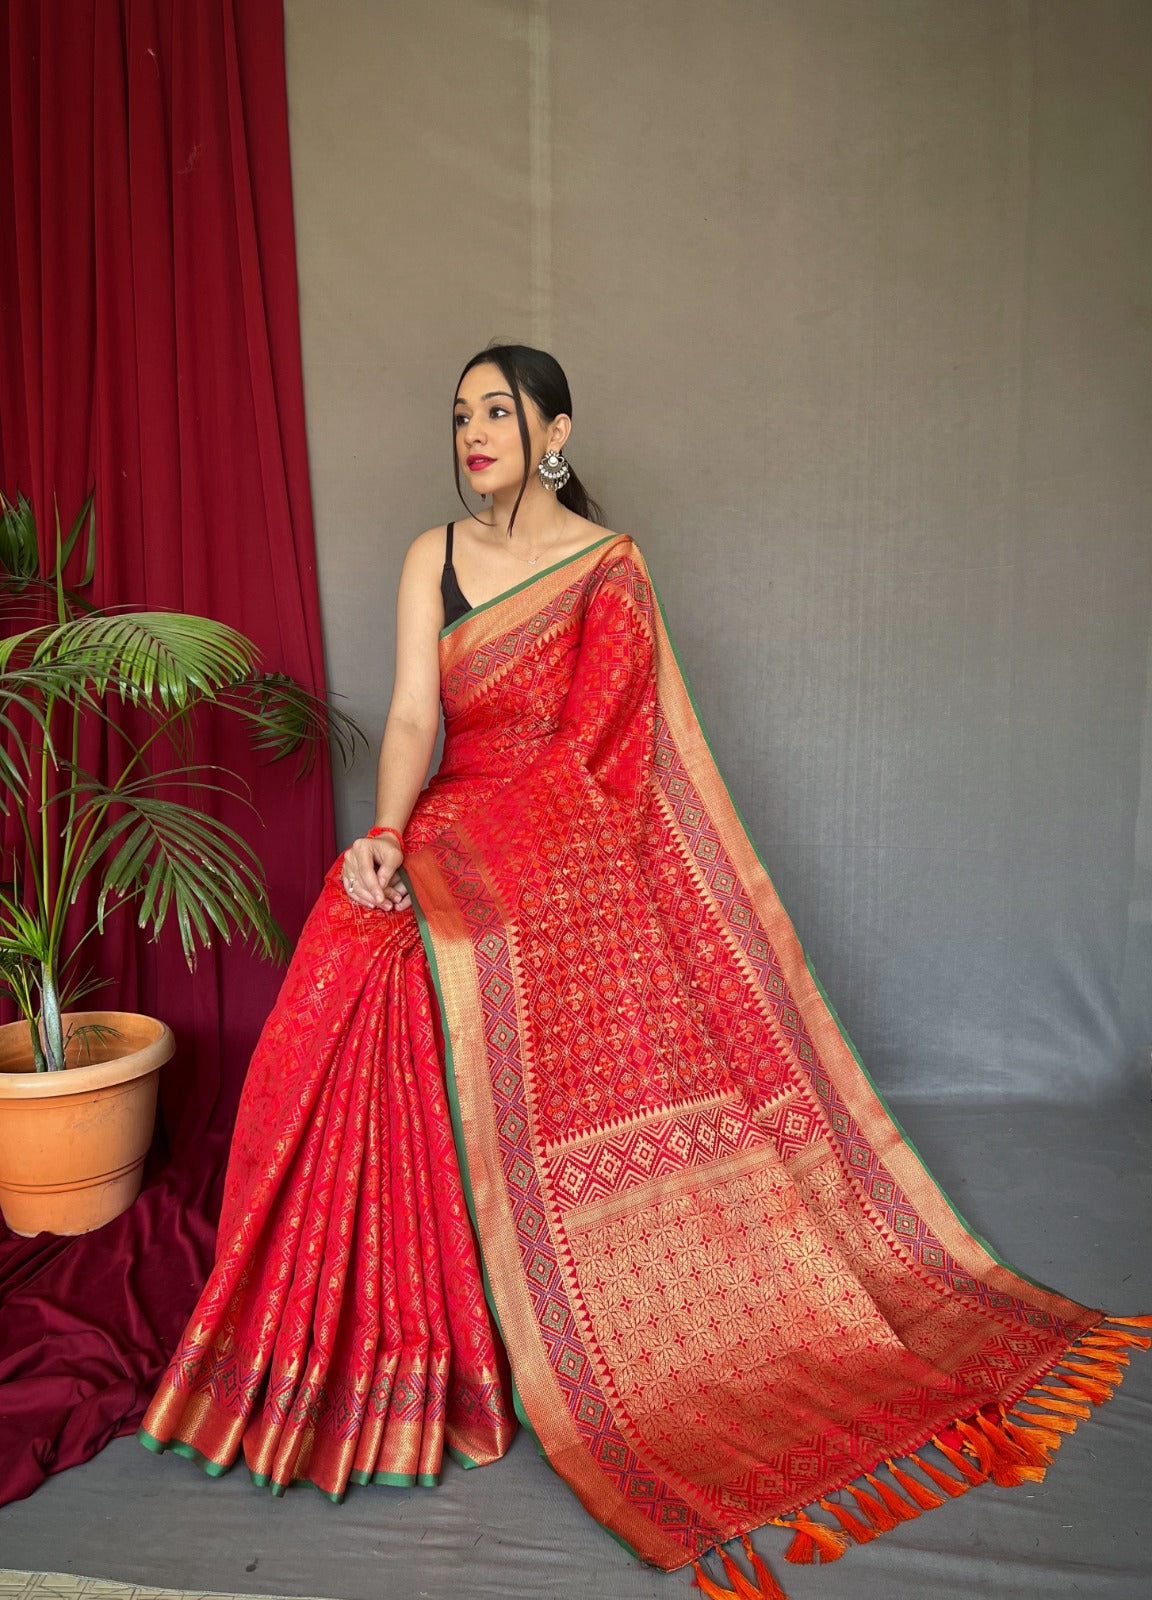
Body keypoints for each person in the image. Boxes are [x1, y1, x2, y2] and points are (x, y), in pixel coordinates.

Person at [140, 343, 1148, 1597]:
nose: (473, 433)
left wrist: (479, 864)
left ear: (554, 430)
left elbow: (599, 748)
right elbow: (411, 718)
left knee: (446, 951)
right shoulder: (430, 557)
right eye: (460, 415)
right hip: (447, 821)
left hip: (563, 835)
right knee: (355, 945)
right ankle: (375, 1337)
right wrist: (390, 839)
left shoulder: (609, 569)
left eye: (496, 412)